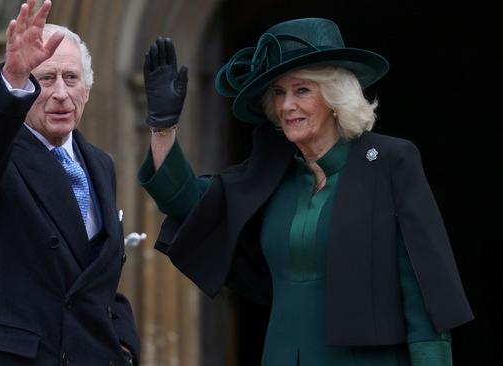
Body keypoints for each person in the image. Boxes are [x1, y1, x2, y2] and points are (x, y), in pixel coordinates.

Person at [139, 18, 474, 365]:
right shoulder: (271, 173)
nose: (287, 106)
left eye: (302, 90)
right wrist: (163, 126)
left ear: (334, 97)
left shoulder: (390, 161)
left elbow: (424, 288)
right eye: (279, 93)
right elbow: (184, 201)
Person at [0, 1, 140, 365]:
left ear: (87, 91)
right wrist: (12, 77)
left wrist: (123, 342)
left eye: (71, 78)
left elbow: (97, 276)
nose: (61, 93)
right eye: (45, 79)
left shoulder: (100, 164)